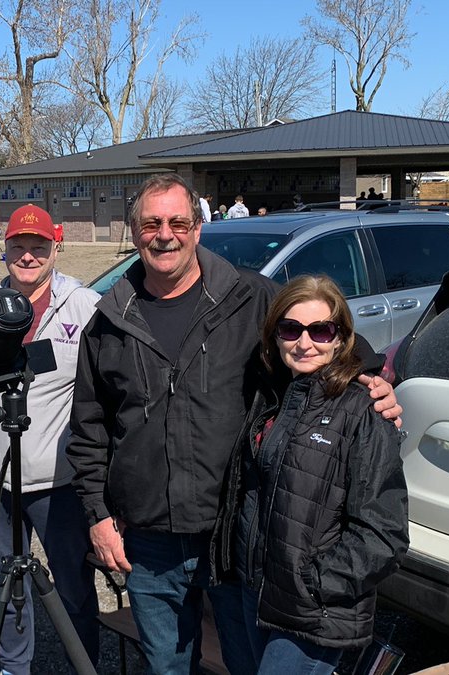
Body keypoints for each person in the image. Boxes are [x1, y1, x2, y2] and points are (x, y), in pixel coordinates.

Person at [67, 173, 400, 675]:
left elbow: (320, 333)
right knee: (166, 666)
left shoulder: (250, 296)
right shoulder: (109, 320)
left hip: (232, 535)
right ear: (134, 233)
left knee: (244, 662)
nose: (165, 234)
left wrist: (371, 378)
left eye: (178, 222)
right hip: (148, 536)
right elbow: (89, 430)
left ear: (198, 228)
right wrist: (97, 517)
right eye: (152, 223)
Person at [227, 275, 408, 674]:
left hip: (311, 611)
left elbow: (384, 534)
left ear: (341, 338)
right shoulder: (273, 396)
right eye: (291, 329)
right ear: (275, 336)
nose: (304, 342)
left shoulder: (363, 411)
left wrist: (315, 584)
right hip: (256, 594)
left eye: (320, 330)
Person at [0, 204, 101, 674]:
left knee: (74, 585)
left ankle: (82, 662)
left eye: (38, 247)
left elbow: (101, 396)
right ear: (5, 249)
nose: (28, 256)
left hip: (58, 480)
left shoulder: (83, 307)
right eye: (18, 246)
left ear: (54, 248)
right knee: (5, 586)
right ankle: (14, 666)